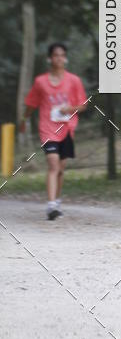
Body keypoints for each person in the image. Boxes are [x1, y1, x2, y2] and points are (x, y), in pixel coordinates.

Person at [20, 43, 88, 220]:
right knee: (53, 164)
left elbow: (83, 105)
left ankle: (57, 201)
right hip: (47, 128)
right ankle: (51, 207)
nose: (59, 58)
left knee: (61, 169)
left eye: (62, 55)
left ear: (65, 58)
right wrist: (24, 119)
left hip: (67, 128)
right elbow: (31, 104)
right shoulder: (40, 82)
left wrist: (69, 108)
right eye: (56, 55)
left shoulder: (74, 81)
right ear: (49, 58)